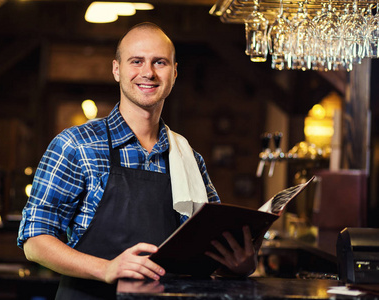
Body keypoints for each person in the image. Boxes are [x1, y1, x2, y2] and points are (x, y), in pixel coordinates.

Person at [17, 22, 260, 299]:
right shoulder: (76, 145)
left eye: (160, 62)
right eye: (137, 61)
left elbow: (211, 249)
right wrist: (106, 268)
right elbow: (35, 241)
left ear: (175, 72)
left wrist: (238, 266)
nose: (148, 72)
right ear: (116, 69)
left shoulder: (189, 157)